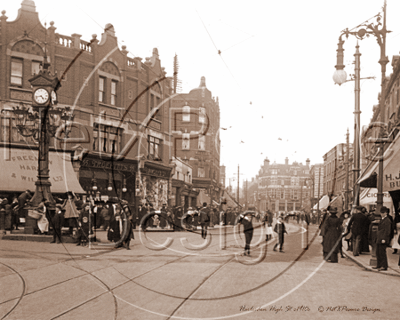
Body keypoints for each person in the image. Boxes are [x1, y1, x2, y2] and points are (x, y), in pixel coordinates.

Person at [373, 206, 392, 271]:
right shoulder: (382, 219)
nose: (381, 214)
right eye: (381, 212)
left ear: (386, 213)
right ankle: (379, 265)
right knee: (378, 252)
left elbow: (387, 231)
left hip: (383, 239)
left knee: (382, 252)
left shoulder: (387, 220)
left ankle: (384, 266)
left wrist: (384, 238)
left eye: (383, 212)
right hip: (379, 238)